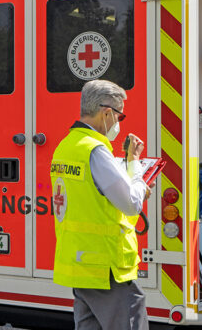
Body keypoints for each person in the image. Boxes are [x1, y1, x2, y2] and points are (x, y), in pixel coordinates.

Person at [50, 79, 153, 330]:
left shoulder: (67, 146)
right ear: (107, 112)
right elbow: (130, 203)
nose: (118, 123)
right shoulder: (95, 150)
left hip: (81, 265)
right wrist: (137, 169)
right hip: (105, 267)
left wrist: (128, 163)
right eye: (119, 116)